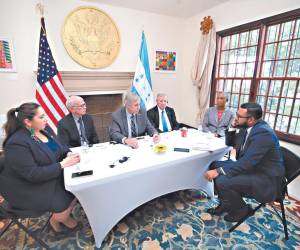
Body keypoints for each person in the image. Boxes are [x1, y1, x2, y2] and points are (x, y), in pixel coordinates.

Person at [0, 102, 81, 233]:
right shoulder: (17, 143)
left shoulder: (43, 130)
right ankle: (56, 220)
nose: (46, 119)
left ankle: (60, 217)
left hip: (49, 174)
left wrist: (69, 153)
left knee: (79, 184)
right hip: (28, 187)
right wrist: (62, 164)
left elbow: (60, 147)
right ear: (28, 121)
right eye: (42, 117)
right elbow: (32, 174)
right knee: (70, 194)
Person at [204, 102, 285, 222]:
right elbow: (230, 143)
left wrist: (218, 171)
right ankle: (227, 203)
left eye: (238, 116)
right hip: (254, 168)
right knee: (214, 164)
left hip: (265, 178)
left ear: (251, 119)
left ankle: (241, 210)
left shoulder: (263, 133)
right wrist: (232, 126)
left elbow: (247, 162)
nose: (235, 118)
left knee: (222, 179)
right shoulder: (247, 127)